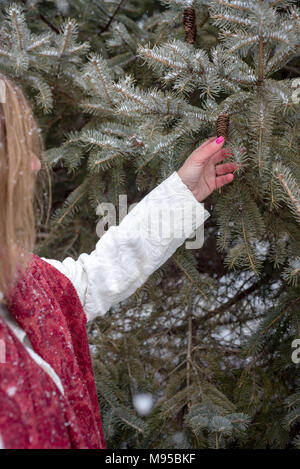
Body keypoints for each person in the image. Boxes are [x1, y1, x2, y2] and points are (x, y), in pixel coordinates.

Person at [0, 75, 237, 449]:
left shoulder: (23, 279)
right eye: (15, 148)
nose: (33, 164)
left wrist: (183, 193)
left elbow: (94, 277)